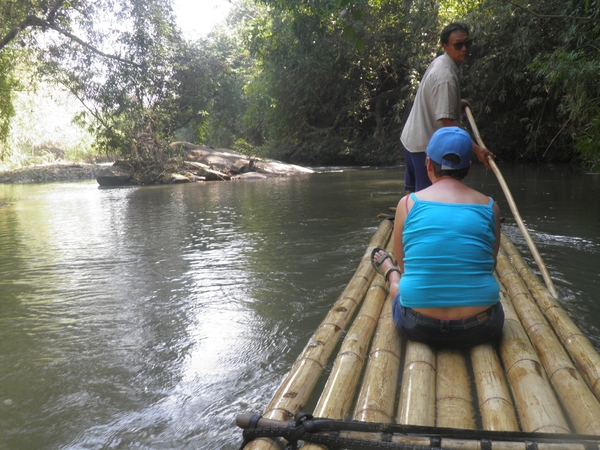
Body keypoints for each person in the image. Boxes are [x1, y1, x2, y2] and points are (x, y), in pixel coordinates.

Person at [372, 126, 503, 348]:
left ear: (428, 165)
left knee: (400, 281)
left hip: (417, 324)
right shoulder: (491, 206)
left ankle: (389, 275)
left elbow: (406, 268)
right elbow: (490, 263)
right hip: (482, 326)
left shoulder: (407, 204)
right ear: (468, 167)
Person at [400, 22, 495, 193]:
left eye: (467, 43)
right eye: (458, 45)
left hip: (412, 139)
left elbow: (434, 98)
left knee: (413, 197)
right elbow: (449, 123)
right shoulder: (445, 76)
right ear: (446, 46)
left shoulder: (444, 62)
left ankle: (406, 218)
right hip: (423, 146)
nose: (464, 49)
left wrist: (454, 103)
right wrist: (477, 150)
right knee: (426, 198)